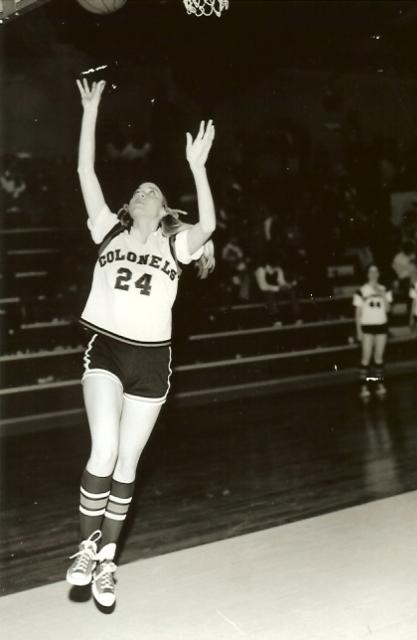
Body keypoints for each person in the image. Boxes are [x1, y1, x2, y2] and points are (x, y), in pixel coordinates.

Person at [66, 79, 216, 607]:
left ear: (163, 206)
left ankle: (107, 561)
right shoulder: (107, 229)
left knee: (127, 465)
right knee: (103, 450)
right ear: (129, 206)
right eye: (138, 190)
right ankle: (85, 550)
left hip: (153, 361)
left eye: (153, 190)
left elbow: (211, 224)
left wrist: (197, 167)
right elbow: (86, 172)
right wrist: (92, 111)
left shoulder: (176, 244)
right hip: (107, 350)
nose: (144, 191)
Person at [353, 264, 392, 400]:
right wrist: (358, 331)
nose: (374, 274)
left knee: (379, 357)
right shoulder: (361, 290)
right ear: (367, 274)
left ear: (378, 274)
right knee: (366, 357)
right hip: (367, 326)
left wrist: (382, 295)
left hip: (381, 325)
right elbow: (357, 314)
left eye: (376, 271)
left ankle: (378, 384)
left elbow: (388, 309)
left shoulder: (385, 289)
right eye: (371, 271)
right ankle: (363, 386)